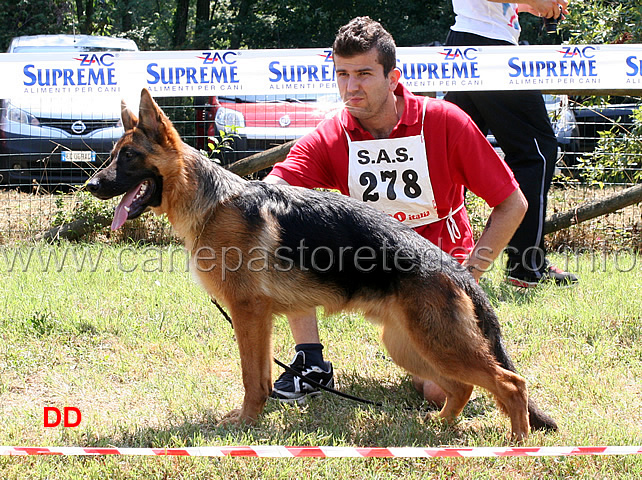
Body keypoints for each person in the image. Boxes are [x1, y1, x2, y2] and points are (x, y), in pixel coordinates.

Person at [264, 16, 527, 406]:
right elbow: (273, 190)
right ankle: (310, 361)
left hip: (438, 269)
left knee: (440, 390)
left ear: (393, 77)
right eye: (342, 74)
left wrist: (468, 276)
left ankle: (421, 357)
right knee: (286, 237)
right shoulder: (331, 135)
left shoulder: (444, 120)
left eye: (365, 74)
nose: (351, 87)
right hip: (368, 268)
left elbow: (513, 204)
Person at [444, 0, 579, 288]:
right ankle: (526, 266)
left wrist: (526, 7)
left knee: (448, 158)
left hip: (469, 42)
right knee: (537, 152)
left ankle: (433, 257)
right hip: (490, 48)